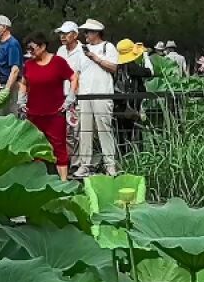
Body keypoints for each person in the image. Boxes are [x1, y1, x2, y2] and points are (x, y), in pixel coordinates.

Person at [18, 32, 78, 180]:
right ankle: (37, 180)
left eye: (32, 48)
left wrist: (70, 98)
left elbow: (73, 77)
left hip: (55, 113)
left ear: (43, 46)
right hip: (34, 114)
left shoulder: (58, 62)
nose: (30, 52)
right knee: (35, 147)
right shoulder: (28, 65)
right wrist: (21, 100)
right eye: (28, 49)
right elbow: (24, 83)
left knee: (59, 148)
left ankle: (63, 182)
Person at [74, 19, 120, 178]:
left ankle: (110, 164)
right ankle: (85, 164)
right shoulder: (81, 50)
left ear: (96, 33)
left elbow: (114, 67)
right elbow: (78, 72)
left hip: (102, 94)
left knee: (104, 129)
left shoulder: (108, 47)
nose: (85, 35)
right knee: (84, 131)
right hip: (85, 94)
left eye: (88, 32)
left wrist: (95, 58)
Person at [113, 39, 154, 153]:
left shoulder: (118, 68)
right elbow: (150, 72)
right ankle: (136, 156)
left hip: (120, 107)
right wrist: (145, 55)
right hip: (132, 107)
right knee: (135, 133)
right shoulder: (132, 67)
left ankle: (122, 157)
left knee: (121, 135)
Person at [0, 15, 23, 114]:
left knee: (10, 116)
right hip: (0, 85)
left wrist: (6, 90)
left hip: (9, 86)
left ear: (4, 27)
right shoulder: (1, 44)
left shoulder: (12, 44)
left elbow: (15, 70)